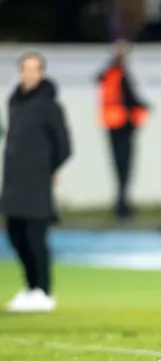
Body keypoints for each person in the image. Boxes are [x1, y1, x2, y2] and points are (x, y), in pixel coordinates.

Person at [1, 53, 72, 312]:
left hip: (37, 183)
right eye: (25, 69)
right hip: (13, 182)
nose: (29, 74)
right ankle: (30, 288)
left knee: (35, 238)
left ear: (41, 72)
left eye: (34, 69)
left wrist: (47, 168)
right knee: (15, 235)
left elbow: (64, 146)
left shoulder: (50, 106)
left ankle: (44, 290)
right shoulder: (15, 101)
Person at [97, 40, 149, 221]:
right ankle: (122, 206)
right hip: (123, 126)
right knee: (124, 167)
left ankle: (121, 204)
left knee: (119, 167)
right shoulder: (119, 74)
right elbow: (130, 98)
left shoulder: (107, 74)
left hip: (112, 125)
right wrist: (144, 106)